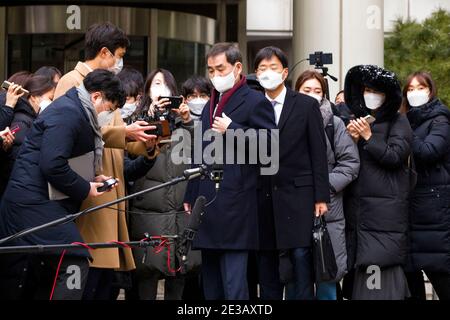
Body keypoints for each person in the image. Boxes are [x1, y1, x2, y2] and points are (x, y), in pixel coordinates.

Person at [0, 69, 125, 300]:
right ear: (96, 96)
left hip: (36, 202)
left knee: (39, 273)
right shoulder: (69, 112)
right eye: (109, 108)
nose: (107, 115)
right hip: (31, 203)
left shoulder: (75, 110)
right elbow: (53, 165)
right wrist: (86, 188)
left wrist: (92, 179)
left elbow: (61, 160)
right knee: (75, 259)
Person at [182, 43, 277, 300]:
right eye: (211, 70)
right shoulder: (208, 105)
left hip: (237, 203)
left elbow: (270, 146)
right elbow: (199, 152)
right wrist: (191, 194)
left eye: (220, 68)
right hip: (208, 202)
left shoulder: (256, 101)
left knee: (234, 284)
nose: (215, 75)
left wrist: (233, 128)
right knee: (210, 283)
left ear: (237, 68)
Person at [253, 47, 329, 300]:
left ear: (285, 72)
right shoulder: (252, 106)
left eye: (273, 67)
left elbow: (318, 153)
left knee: (300, 258)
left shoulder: (306, 105)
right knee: (268, 260)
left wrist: (321, 197)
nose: (267, 73)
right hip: (262, 195)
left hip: (299, 194)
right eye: (262, 69)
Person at [343, 65, 413, 300]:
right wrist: (350, 140)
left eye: (376, 91)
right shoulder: (358, 120)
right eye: (367, 89)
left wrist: (369, 138)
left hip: (385, 214)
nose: (370, 95)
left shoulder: (399, 121)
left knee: (379, 271)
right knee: (360, 273)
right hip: (358, 212)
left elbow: (395, 156)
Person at [128, 68, 194, 300]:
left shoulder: (183, 123)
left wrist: (187, 121)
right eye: (156, 83)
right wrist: (149, 117)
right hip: (147, 212)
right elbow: (130, 159)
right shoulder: (135, 120)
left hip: (178, 213)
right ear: (146, 90)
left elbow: (200, 153)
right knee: (147, 274)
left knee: (178, 276)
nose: (161, 89)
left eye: (166, 84)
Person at [295, 70, 360, 300]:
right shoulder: (284, 121)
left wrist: (322, 186)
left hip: (328, 211)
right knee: (296, 280)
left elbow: (350, 164)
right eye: (306, 90)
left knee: (326, 279)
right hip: (293, 210)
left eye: (317, 91)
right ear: (296, 92)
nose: (312, 95)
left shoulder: (334, 123)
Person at [402, 71, 450, 300]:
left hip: (433, 210)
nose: (414, 93)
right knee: (411, 277)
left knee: (438, 269)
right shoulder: (409, 120)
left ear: (430, 91)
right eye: (410, 89)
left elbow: (428, 152)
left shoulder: (440, 120)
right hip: (412, 209)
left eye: (420, 88)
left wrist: (405, 129)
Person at [1, 75, 56, 187]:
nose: (52, 103)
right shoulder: (22, 120)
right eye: (50, 98)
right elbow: (17, 159)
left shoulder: (31, 118)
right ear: (34, 97)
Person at [54, 22, 128, 98]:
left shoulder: (108, 83)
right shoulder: (70, 81)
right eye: (120, 55)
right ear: (104, 52)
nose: (120, 61)